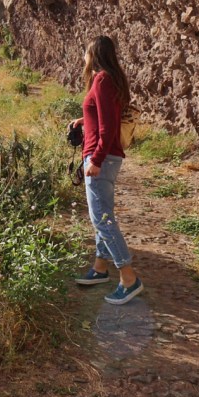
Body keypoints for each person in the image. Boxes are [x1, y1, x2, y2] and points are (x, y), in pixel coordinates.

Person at [71, 35, 143, 305]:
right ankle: (100, 268)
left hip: (101, 158)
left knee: (103, 220)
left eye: (86, 52)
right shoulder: (111, 79)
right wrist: (84, 119)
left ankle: (129, 277)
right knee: (102, 215)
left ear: (94, 54)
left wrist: (96, 160)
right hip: (106, 157)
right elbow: (105, 116)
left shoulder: (101, 79)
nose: (84, 57)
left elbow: (108, 127)